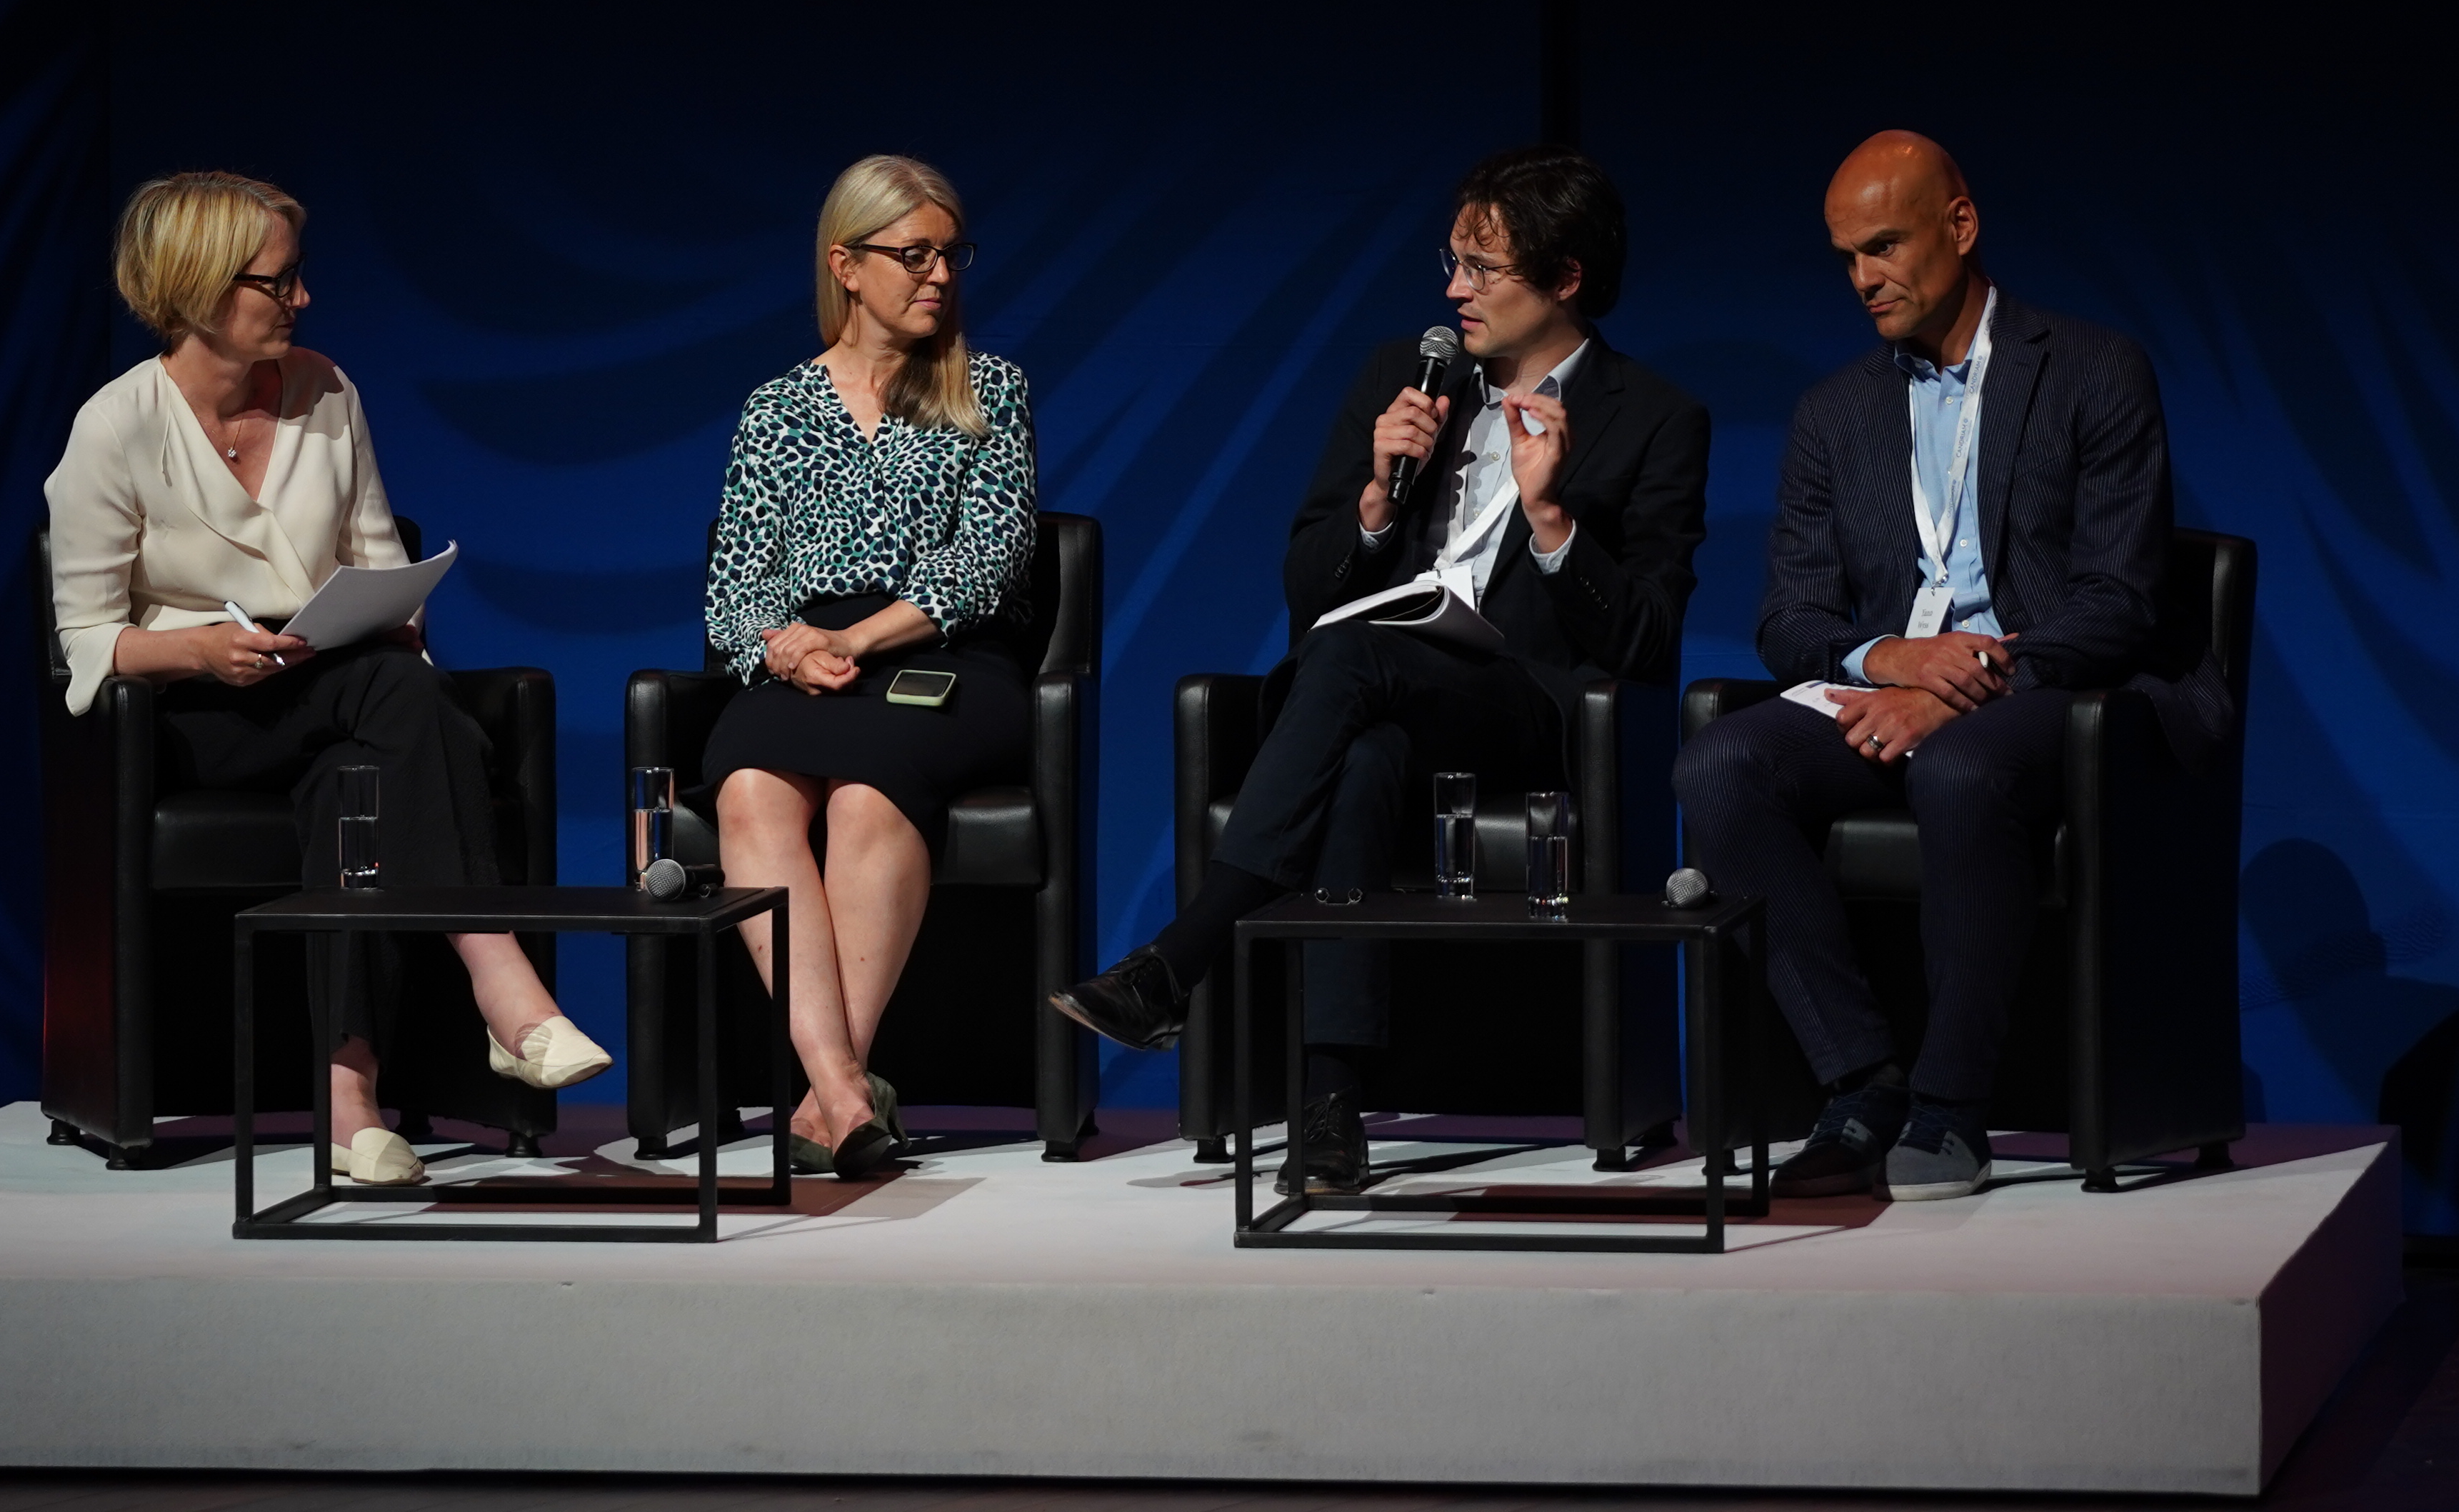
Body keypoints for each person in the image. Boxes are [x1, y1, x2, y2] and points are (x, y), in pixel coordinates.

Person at [1051, 146, 1711, 1190]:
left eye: (1481, 269)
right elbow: (1304, 587)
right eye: (1452, 263)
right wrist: (1372, 504)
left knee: (1353, 660)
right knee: (1363, 756)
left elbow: (1647, 638)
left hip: (1528, 712)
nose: (1455, 292)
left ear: (1564, 277)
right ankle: (1331, 1109)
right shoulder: (1406, 378)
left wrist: (1551, 518)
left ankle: (1181, 958)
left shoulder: (1655, 417)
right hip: (1375, 687)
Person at [44, 171, 609, 1188]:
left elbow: (378, 557)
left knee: (366, 769)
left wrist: (383, 613)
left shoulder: (326, 390)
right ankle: (506, 989)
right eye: (277, 282)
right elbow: (87, 636)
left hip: (330, 685)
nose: (301, 299)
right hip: (199, 714)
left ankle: (350, 1105)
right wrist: (201, 651)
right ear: (199, 287)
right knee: (397, 701)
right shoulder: (116, 426)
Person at [1673, 130, 2205, 1202]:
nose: (1863, 278)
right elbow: (1789, 618)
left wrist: (1960, 685)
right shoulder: (1835, 413)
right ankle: (1860, 1082)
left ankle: (1953, 1110)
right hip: (1890, 687)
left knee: (1959, 768)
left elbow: (2118, 601)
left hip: (2056, 687)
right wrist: (1891, 660)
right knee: (1719, 765)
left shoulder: (2092, 368)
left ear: (1959, 227)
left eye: (1884, 246)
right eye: (1846, 257)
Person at [703, 154, 1037, 1180]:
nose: (939, 275)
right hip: (809, 659)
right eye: (914, 255)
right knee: (749, 787)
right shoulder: (775, 408)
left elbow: (986, 562)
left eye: (951, 255)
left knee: (865, 793)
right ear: (846, 265)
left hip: (945, 656)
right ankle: (844, 1090)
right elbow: (736, 585)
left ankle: (825, 1094)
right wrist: (788, 642)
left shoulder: (989, 390)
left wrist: (856, 639)